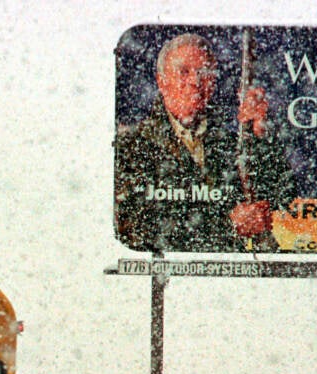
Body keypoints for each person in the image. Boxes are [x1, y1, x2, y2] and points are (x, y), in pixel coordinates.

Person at [114, 33, 295, 253]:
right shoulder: (131, 146)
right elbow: (135, 231)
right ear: (161, 80)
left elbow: (282, 197)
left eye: (204, 72)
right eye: (184, 72)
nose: (195, 81)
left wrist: (261, 133)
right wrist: (227, 226)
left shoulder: (228, 144)